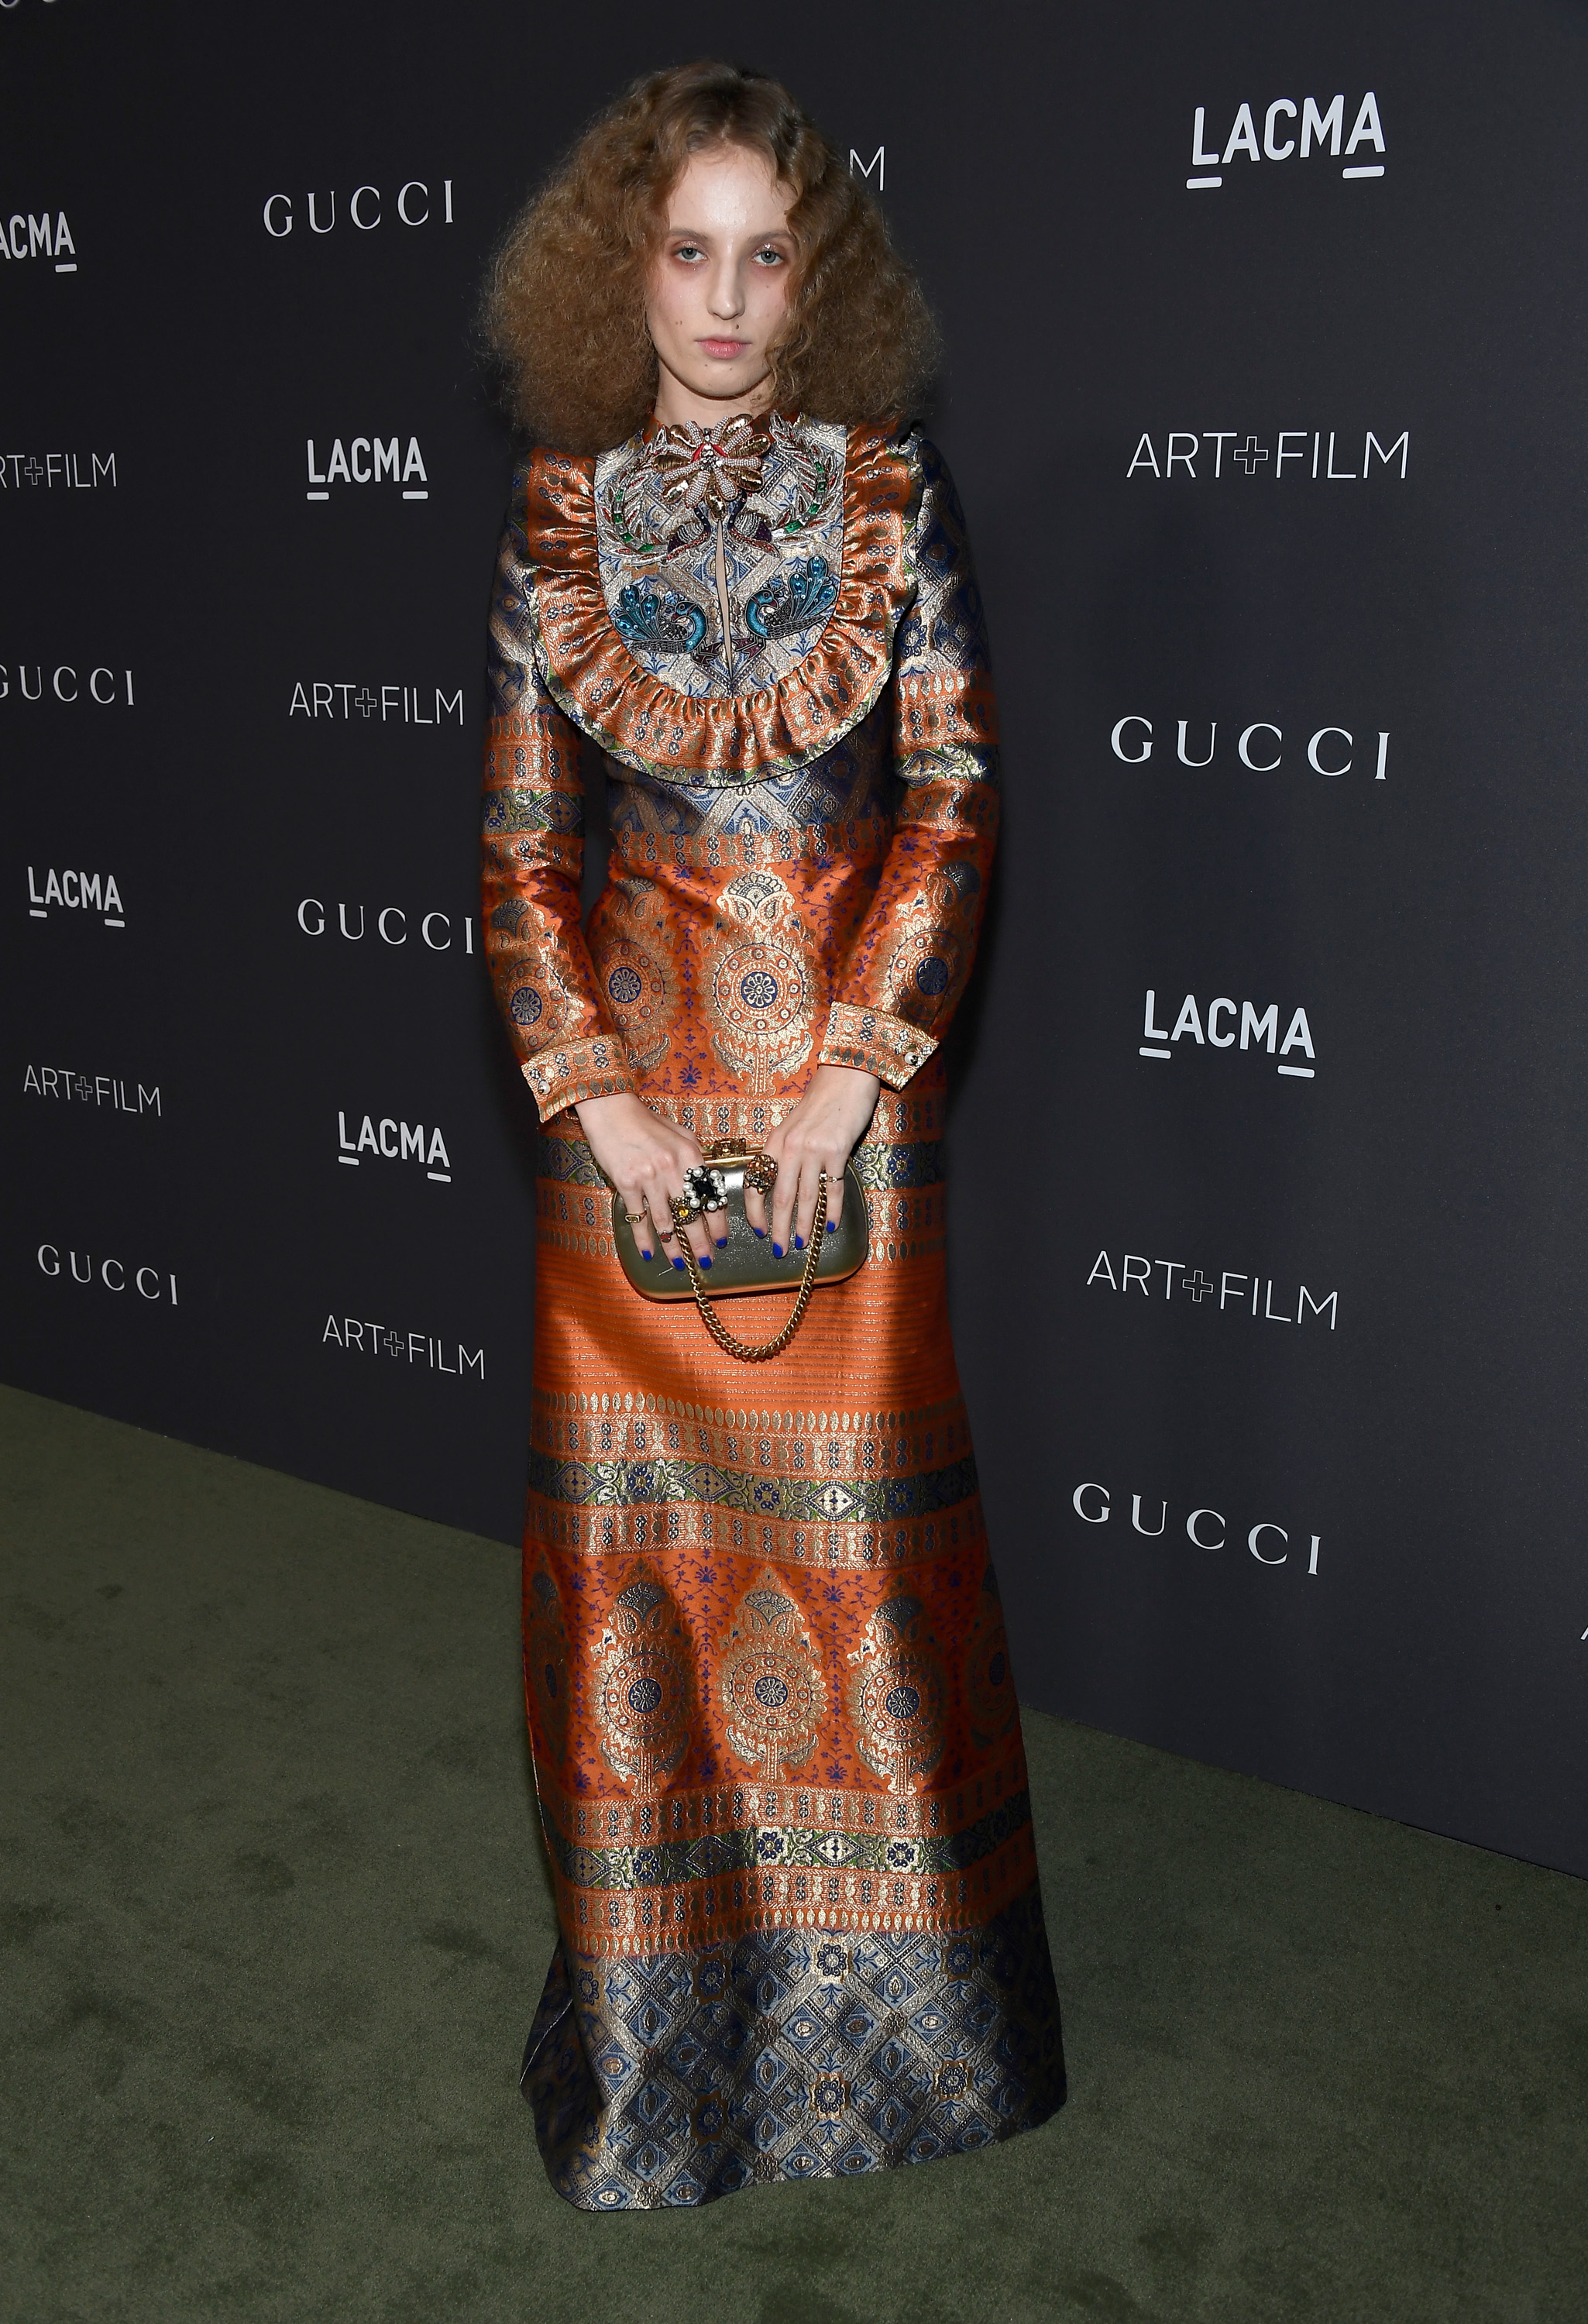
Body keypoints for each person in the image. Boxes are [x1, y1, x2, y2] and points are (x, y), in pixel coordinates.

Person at [479, 59, 1064, 2211]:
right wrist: (603, 1103)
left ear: (811, 281)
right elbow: (521, 858)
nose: (723, 300)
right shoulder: (553, 517)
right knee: (638, 1584)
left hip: (842, 1128)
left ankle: (908, 2052)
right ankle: (661, 2071)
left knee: (859, 1578)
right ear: (618, 273)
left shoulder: (894, 498)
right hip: (623, 1151)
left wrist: (851, 1067)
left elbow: (959, 801)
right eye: (685, 252)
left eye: (763, 256)